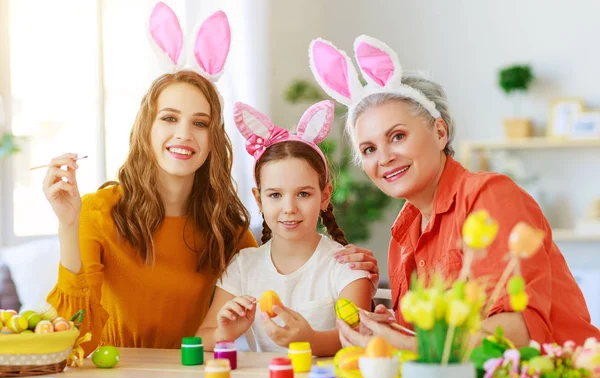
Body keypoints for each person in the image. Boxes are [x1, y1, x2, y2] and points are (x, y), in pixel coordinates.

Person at [308, 35, 600, 349]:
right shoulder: (402, 238)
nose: (384, 158)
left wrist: (404, 345)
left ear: (439, 131)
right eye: (368, 149)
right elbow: (435, 350)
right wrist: (385, 331)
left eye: (397, 136)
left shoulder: (489, 197)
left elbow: (515, 332)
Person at [43, 6, 256, 356]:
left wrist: (338, 259)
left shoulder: (226, 228)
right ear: (147, 129)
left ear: (213, 138)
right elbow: (72, 332)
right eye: (169, 118)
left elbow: (281, 274)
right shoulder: (97, 212)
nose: (184, 134)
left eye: (200, 123)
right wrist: (68, 224)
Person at [196, 101, 373, 355]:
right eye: (275, 195)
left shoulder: (346, 266)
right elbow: (199, 339)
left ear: (325, 197)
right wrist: (223, 333)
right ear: (259, 199)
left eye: (303, 194)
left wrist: (311, 340)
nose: (289, 207)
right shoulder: (244, 265)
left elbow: (360, 340)